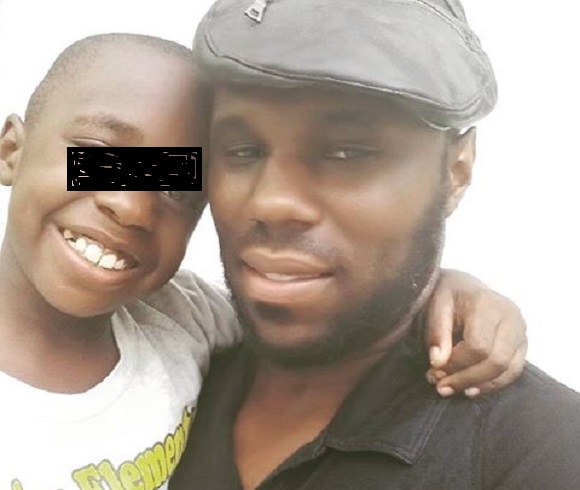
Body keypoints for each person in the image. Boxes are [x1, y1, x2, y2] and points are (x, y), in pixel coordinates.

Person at [0, 32, 525, 490]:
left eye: (179, 187)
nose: (132, 207)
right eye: (99, 157)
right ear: (10, 151)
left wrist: (449, 290)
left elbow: (330, 309)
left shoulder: (183, 320)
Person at [169, 0, 580, 489]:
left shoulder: (545, 453)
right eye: (242, 151)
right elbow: (99, 180)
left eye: (346, 152)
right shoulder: (163, 350)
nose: (272, 202)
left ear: (456, 170)